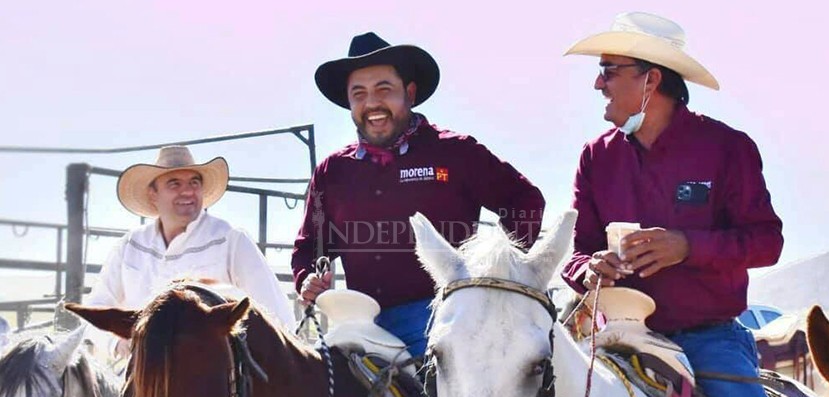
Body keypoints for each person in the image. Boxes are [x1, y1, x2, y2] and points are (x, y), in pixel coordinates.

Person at [561, 12, 787, 397]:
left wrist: (687, 246)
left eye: (609, 70)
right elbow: (578, 254)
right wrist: (590, 269)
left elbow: (767, 242)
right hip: (615, 340)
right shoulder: (595, 157)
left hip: (709, 339)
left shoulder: (727, 147)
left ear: (651, 80)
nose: (598, 84)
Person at [293, 32, 545, 357]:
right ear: (350, 102)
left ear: (409, 93)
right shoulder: (333, 172)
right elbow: (308, 249)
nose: (372, 104)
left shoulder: (455, 152)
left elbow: (525, 201)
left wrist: (491, 275)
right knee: (316, 396)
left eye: (384, 89)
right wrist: (306, 280)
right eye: (359, 94)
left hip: (442, 319)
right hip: (356, 322)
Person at [85, 145, 296, 358]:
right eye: (174, 183)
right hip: (140, 376)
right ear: (153, 194)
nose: (187, 191)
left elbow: (278, 316)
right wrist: (116, 343)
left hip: (212, 381)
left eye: (194, 183)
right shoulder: (130, 245)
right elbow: (96, 307)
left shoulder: (230, 240)